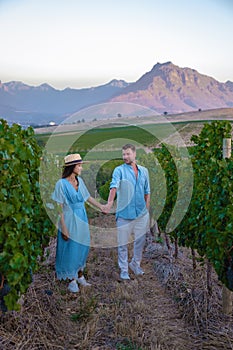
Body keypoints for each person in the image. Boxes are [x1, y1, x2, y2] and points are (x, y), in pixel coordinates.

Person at [52, 153, 104, 293]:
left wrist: (101, 207)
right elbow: (59, 208)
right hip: (69, 219)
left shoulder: (79, 181)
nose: (81, 168)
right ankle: (71, 280)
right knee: (71, 248)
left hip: (82, 217)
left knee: (82, 246)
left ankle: (80, 275)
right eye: (79, 165)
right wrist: (64, 228)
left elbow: (87, 198)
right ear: (71, 167)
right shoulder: (61, 184)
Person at [104, 144, 150, 280]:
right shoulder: (119, 171)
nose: (125, 157)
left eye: (128, 154)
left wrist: (147, 212)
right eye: (123, 154)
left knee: (140, 241)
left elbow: (147, 192)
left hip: (141, 214)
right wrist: (109, 203)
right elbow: (114, 187)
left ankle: (135, 264)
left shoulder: (144, 171)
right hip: (124, 214)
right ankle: (124, 270)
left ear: (135, 154)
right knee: (122, 244)